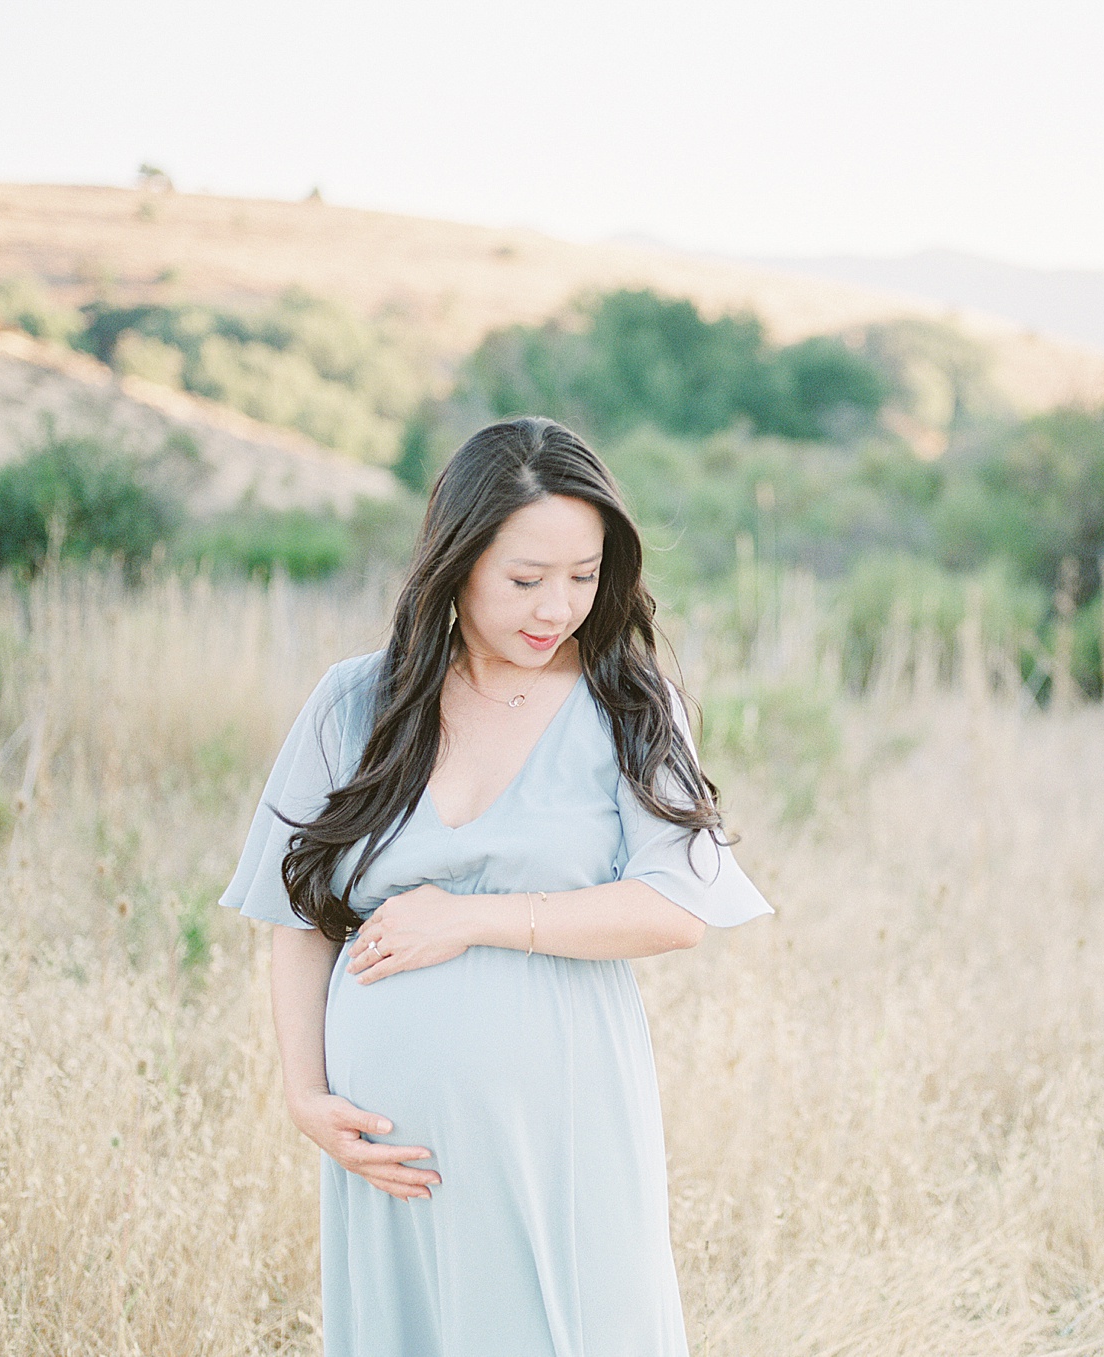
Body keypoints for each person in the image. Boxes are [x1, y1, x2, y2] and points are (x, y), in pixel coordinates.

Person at [219, 416, 773, 1355]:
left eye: (584, 577)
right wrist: (305, 1094)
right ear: (458, 561)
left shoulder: (629, 705)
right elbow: (298, 916)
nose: (556, 607)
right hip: (393, 1154)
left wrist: (469, 919)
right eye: (526, 579)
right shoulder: (358, 701)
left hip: (562, 1124)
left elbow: (677, 907)